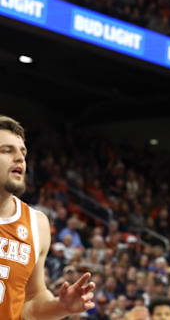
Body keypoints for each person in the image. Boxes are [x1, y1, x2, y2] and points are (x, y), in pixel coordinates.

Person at [0, 115, 95, 320]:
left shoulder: (37, 223)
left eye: (22, 153)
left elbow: (32, 302)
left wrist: (61, 306)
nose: (20, 159)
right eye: (7, 151)